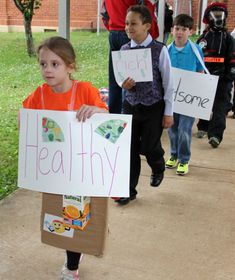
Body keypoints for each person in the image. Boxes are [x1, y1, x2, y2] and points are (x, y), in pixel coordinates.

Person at [21, 36, 108, 280]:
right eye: (43, 64)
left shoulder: (86, 90)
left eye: (55, 64)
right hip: (54, 171)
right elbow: (24, 120)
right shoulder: (39, 95)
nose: (47, 69)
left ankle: (71, 266)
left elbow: (108, 122)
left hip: (80, 171)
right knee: (59, 217)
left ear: (70, 66)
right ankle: (75, 251)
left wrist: (98, 110)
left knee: (74, 216)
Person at [114, 5, 174, 205]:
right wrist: (124, 84)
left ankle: (158, 165)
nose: (128, 27)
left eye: (133, 23)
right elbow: (119, 79)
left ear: (147, 25)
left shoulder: (159, 49)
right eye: (126, 23)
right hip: (131, 106)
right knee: (129, 150)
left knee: (149, 146)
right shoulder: (124, 49)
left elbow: (168, 83)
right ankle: (128, 190)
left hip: (153, 106)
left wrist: (168, 112)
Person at [101, 0, 159, 114]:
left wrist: (112, 28)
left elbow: (104, 13)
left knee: (116, 78)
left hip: (114, 33)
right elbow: (146, 13)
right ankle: (127, 113)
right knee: (132, 80)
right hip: (129, 33)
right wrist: (152, 34)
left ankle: (114, 114)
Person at [165, 14, 204, 175]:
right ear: (172, 30)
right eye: (177, 28)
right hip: (172, 99)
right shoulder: (166, 50)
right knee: (172, 129)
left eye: (184, 29)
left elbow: (201, 71)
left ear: (191, 31)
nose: (180, 32)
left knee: (185, 129)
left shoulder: (196, 50)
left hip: (189, 99)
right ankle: (174, 154)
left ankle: (184, 159)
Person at [195, 2, 235, 147]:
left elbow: (233, 58)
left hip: (223, 79)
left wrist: (230, 74)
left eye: (221, 15)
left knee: (220, 106)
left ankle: (215, 135)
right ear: (209, 18)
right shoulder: (203, 38)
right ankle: (203, 126)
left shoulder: (229, 39)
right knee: (204, 103)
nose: (219, 18)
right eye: (215, 15)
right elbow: (198, 57)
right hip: (206, 77)